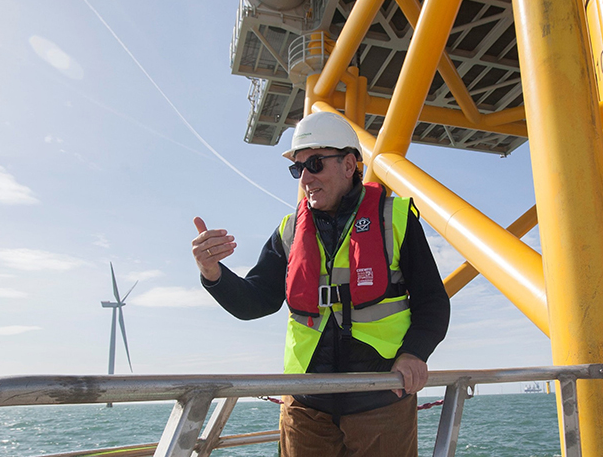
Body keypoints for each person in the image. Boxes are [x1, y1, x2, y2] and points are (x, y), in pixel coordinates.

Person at [191, 111, 450, 457]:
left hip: (381, 396)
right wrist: (213, 273)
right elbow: (256, 301)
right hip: (305, 403)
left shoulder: (396, 218)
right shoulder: (289, 231)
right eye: (298, 169)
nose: (305, 178)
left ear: (348, 164)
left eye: (314, 164)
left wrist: (415, 353)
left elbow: (432, 301)